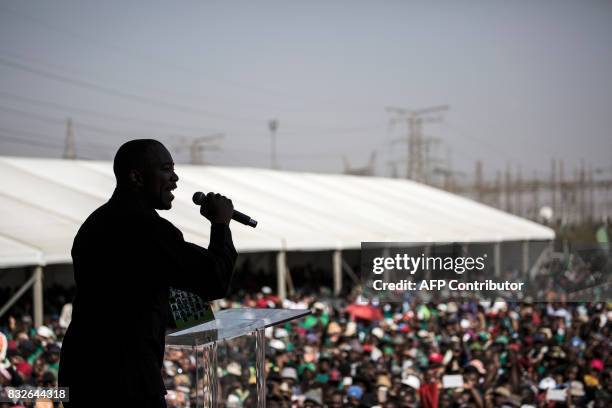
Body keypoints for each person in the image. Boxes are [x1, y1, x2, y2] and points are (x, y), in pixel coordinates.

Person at [58, 139, 237, 407]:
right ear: (136, 177)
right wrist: (220, 224)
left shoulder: (94, 224)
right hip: (126, 383)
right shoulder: (148, 229)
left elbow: (124, 297)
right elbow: (215, 280)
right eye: (166, 169)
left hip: (82, 376)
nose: (175, 178)